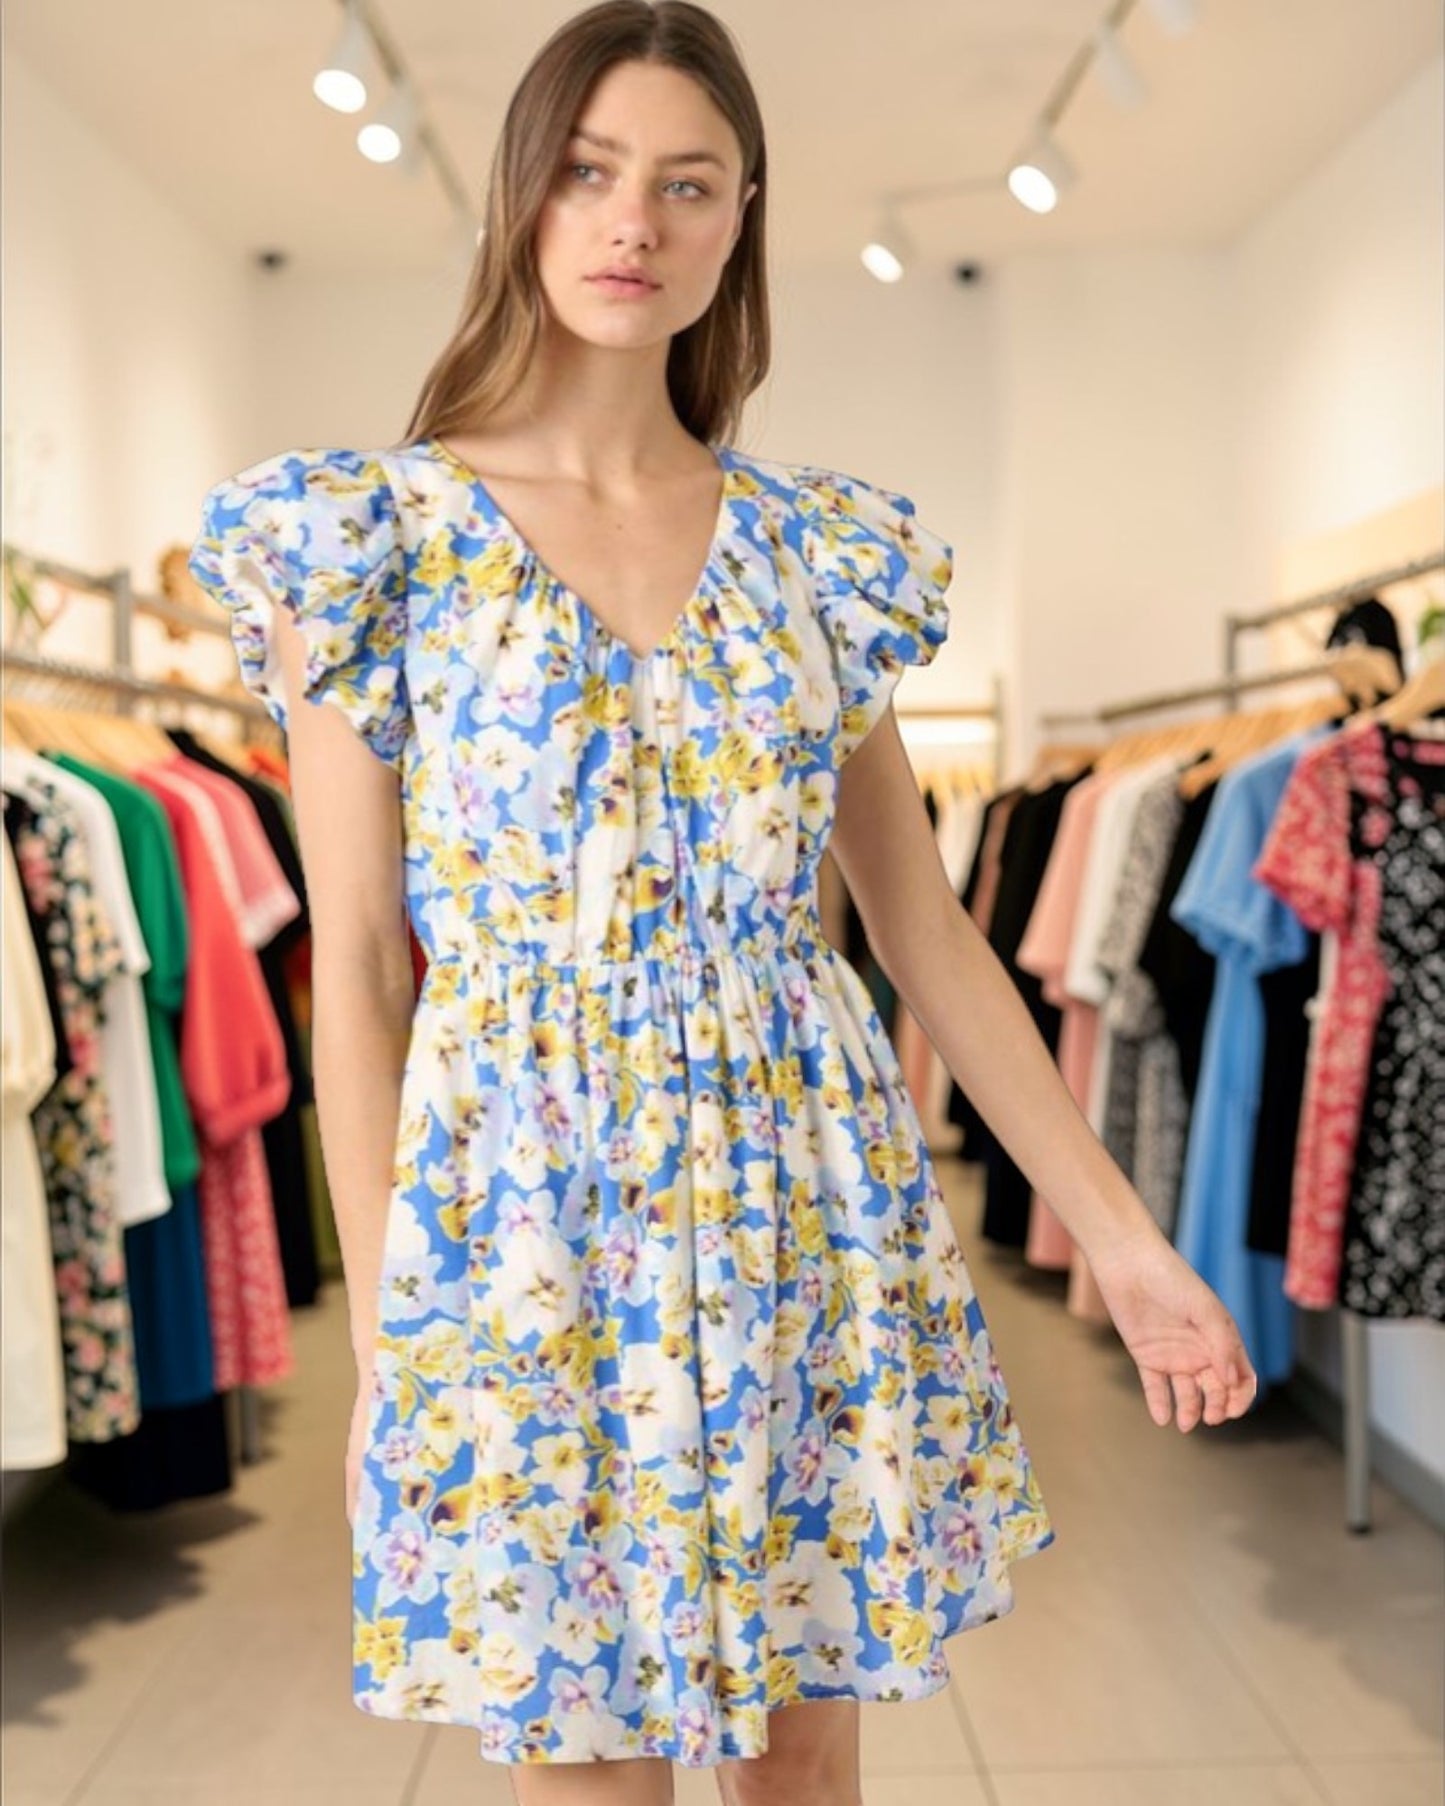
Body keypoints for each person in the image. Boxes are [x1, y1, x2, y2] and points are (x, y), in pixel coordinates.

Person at [187, 4, 1258, 1802]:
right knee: (586, 1767)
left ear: (737, 218)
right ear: (521, 200)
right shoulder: (369, 541)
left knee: (800, 1755)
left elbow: (926, 937)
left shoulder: (807, 553)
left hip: (797, 1201)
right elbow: (358, 968)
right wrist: (394, 1342)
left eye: (687, 186)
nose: (633, 224)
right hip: (525, 1231)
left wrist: (1127, 1240)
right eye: (592, 173)